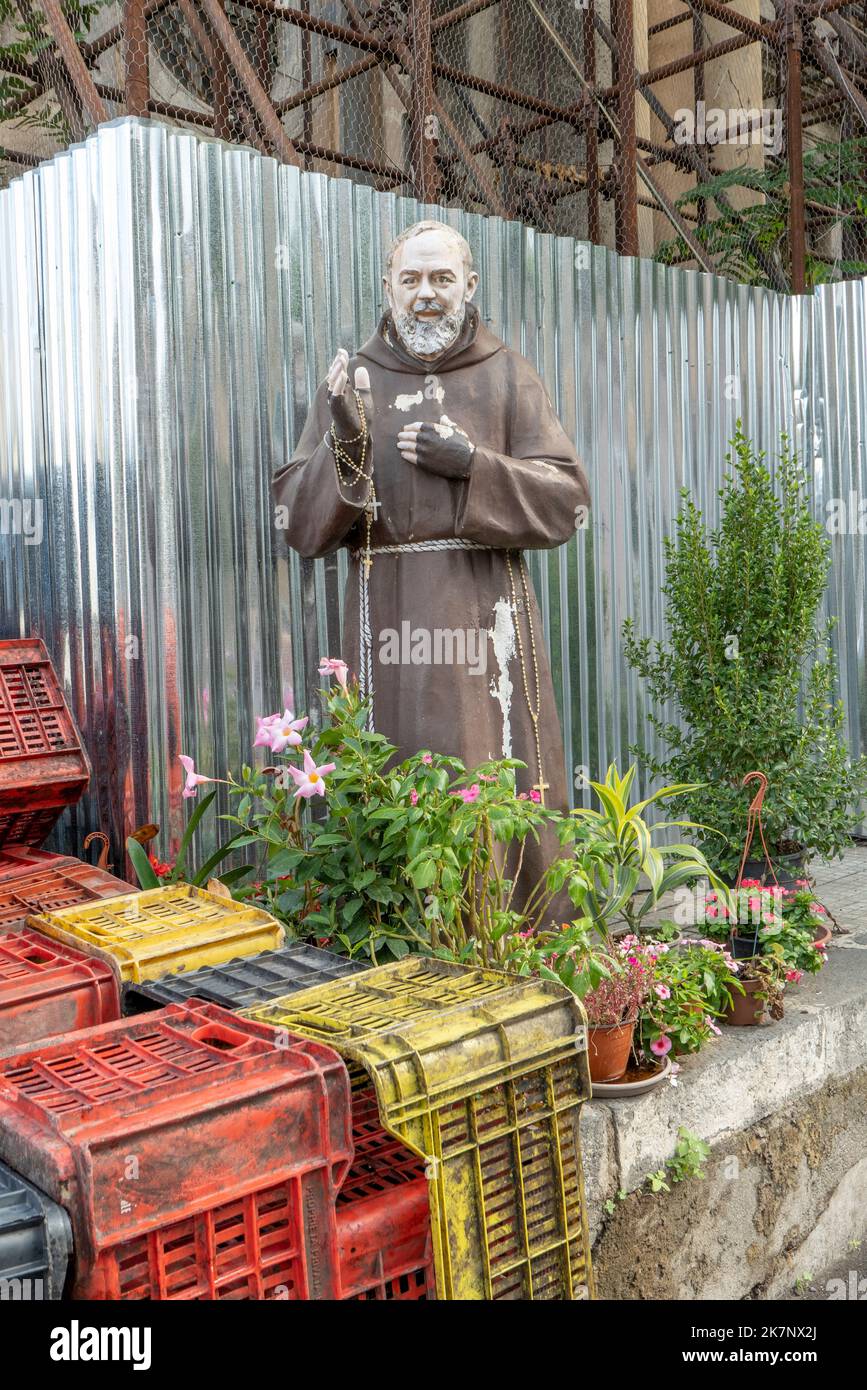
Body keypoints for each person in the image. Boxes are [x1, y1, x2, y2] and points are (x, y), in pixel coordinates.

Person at [272, 218, 590, 904]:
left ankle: (512, 925)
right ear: (386, 286)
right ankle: (403, 935)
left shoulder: (507, 373)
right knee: (395, 767)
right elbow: (299, 526)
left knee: (488, 766)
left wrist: (472, 465)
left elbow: (567, 502)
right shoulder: (352, 378)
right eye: (410, 278)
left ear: (469, 285)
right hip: (386, 613)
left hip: (485, 615)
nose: (425, 294)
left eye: (441, 278)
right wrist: (346, 438)